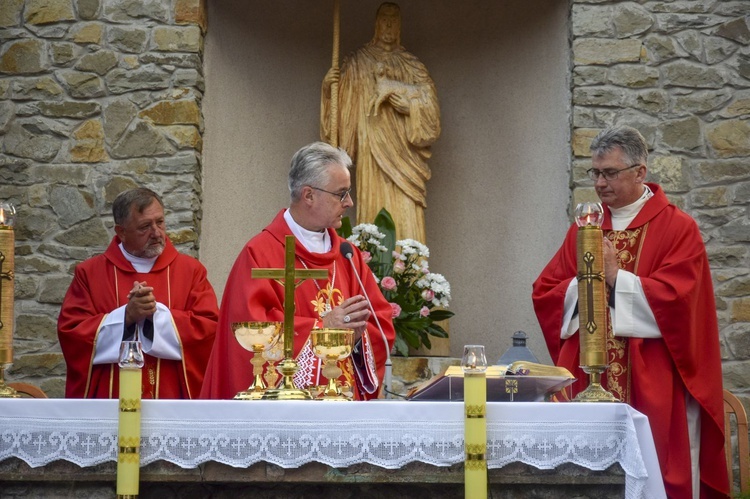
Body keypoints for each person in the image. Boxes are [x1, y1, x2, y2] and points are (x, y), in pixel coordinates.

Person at [532, 126, 729, 498]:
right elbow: (545, 292)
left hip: (651, 373)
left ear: (640, 172)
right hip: (587, 375)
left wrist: (614, 276)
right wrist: (584, 283)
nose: (600, 184)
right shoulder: (584, 229)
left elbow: (680, 300)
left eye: (610, 173)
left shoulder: (677, 227)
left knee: (654, 472)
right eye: (596, 173)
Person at [200, 142, 395, 400]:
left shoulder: (348, 256)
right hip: (284, 413)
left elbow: (379, 325)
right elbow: (250, 338)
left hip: (344, 406)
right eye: (341, 193)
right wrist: (324, 328)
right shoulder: (261, 254)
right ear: (309, 195)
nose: (349, 202)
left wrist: (358, 339)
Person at [57, 188, 219, 399]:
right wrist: (126, 317)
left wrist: (156, 316)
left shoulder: (191, 271)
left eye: (160, 222)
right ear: (121, 232)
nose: (157, 232)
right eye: (145, 226)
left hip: (172, 400)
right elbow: (72, 334)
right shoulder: (89, 274)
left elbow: (209, 329)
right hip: (111, 400)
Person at [321, 2, 440, 243]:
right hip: (372, 156)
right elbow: (341, 116)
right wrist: (328, 90)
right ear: (376, 25)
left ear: (399, 26)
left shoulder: (412, 65)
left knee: (406, 219)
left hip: (405, 162)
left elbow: (431, 113)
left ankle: (413, 277)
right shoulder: (358, 63)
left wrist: (410, 107)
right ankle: (370, 275)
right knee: (374, 216)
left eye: (393, 20)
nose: (388, 25)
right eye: (384, 19)